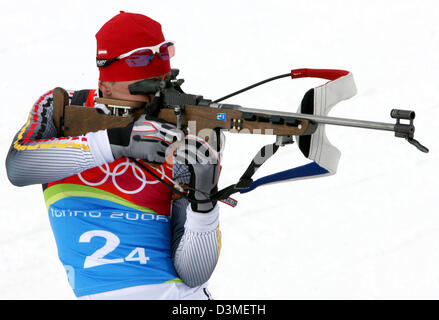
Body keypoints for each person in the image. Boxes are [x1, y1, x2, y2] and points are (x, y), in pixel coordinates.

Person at [5, 11, 223, 300]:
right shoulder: (64, 108)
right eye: (142, 89)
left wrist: (204, 201)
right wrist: (116, 143)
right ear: (105, 85)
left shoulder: (185, 128)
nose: (153, 101)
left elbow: (194, 274)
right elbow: (18, 168)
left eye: (163, 87)